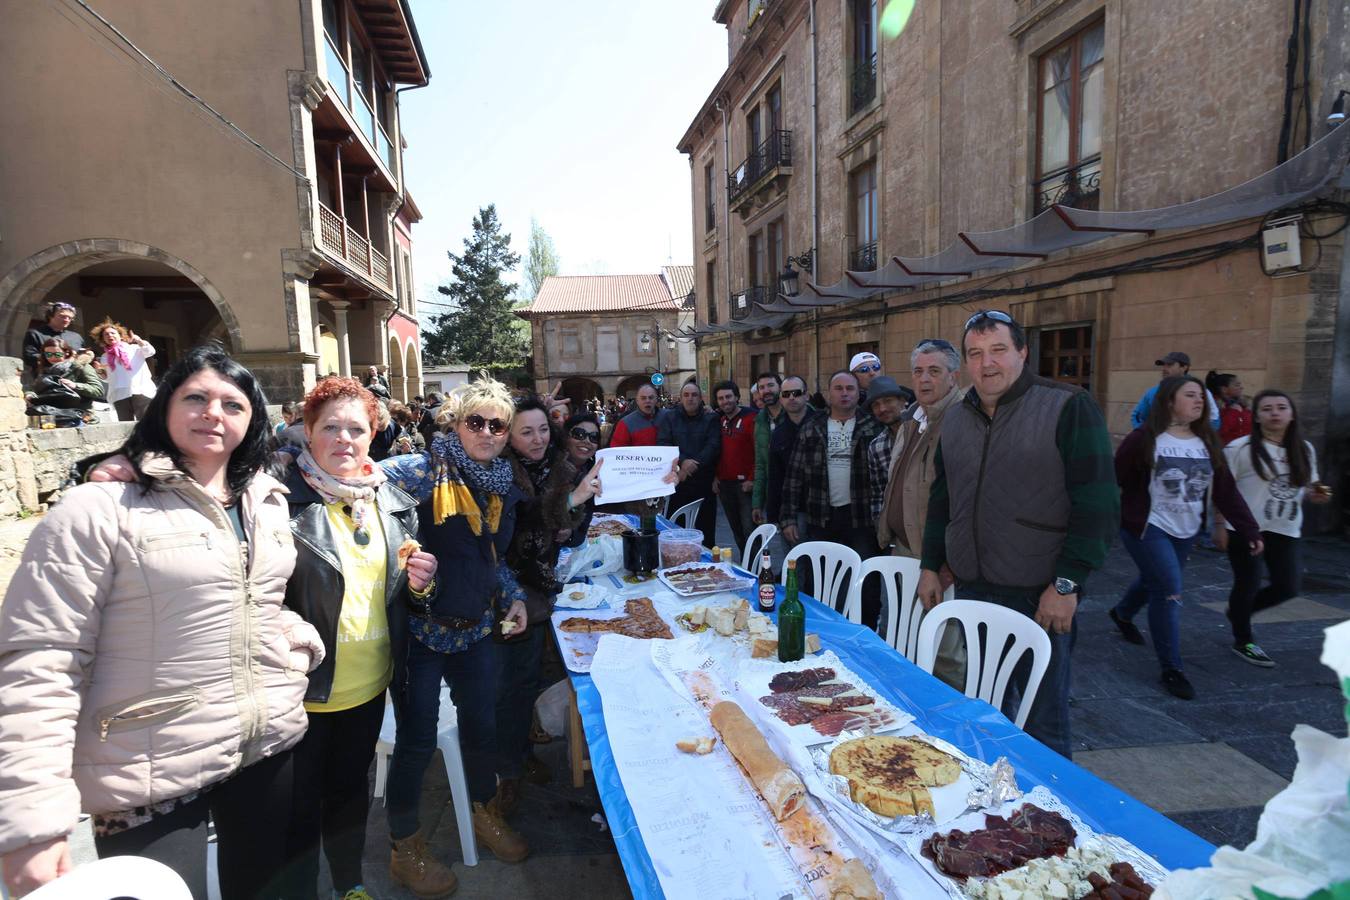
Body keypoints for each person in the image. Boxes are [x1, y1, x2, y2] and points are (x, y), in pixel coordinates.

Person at [0, 345, 325, 900]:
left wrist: (294, 636)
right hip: (146, 764)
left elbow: (256, 601)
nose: (213, 413)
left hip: (265, 745)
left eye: (232, 404)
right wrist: (33, 816)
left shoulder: (266, 502)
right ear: (163, 407)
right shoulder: (99, 508)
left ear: (253, 422)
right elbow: (39, 659)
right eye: (195, 397)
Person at [917, 310, 1118, 758]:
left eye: (998, 350)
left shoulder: (1067, 406)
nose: (987, 363)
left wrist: (1068, 583)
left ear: (1023, 352)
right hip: (972, 590)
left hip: (1039, 597)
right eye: (976, 353)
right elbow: (943, 498)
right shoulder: (957, 418)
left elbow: (1098, 503)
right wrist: (932, 564)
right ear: (966, 362)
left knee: (1042, 722)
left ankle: (1055, 818)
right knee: (983, 709)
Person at [278, 377, 438, 900]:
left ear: (374, 434)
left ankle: (350, 884)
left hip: (368, 686)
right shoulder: (277, 502)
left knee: (350, 797)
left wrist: (421, 584)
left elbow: (400, 597)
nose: (344, 438)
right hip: (300, 694)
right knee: (297, 813)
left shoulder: (391, 502)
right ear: (307, 431)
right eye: (330, 427)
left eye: (356, 427)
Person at [378, 379, 531, 883]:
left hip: (478, 630)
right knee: (418, 743)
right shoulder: (421, 471)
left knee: (482, 729)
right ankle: (405, 848)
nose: (487, 432)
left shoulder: (501, 484)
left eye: (498, 425)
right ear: (456, 422)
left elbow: (492, 556)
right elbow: (358, 476)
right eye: (477, 422)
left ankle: (484, 811)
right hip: (423, 632)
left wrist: (513, 596)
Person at [1110, 376, 1262, 700]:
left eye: (1202, 397)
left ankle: (1122, 613)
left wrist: (1248, 528)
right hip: (1147, 527)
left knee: (1157, 580)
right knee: (1168, 589)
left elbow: (1225, 490)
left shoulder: (1207, 442)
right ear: (1168, 402)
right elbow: (1113, 479)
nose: (1200, 401)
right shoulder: (1143, 439)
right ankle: (1172, 668)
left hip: (1187, 530)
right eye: (1191, 395)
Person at [497, 397, 603, 814]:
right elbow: (521, 523)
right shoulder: (502, 470)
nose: (537, 438)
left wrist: (570, 522)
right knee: (506, 683)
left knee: (525, 678)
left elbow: (574, 534)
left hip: (540, 591)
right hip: (503, 593)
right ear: (510, 435)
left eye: (543, 429)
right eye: (526, 431)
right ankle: (502, 778)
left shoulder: (560, 468)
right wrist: (568, 504)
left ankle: (520, 758)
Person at [1214, 390, 1329, 667]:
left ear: (1292, 415)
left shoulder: (1304, 449)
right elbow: (1222, 489)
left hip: (1285, 527)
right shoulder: (1239, 448)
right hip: (1245, 528)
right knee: (1248, 583)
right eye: (1267, 409)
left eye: (1281, 408)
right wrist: (1218, 525)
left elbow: (1309, 485)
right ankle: (1244, 640)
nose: (1274, 413)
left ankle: (1239, 612)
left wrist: (1318, 494)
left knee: (1288, 586)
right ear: (1256, 416)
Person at [878, 339, 965, 687]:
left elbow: (961, 498)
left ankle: (956, 725)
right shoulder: (914, 416)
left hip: (938, 557)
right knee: (908, 638)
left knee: (945, 649)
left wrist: (942, 563)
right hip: (905, 547)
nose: (924, 379)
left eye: (934, 371)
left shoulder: (961, 419)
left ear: (953, 376)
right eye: (918, 371)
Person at [780, 370, 883, 624]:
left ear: (859, 393)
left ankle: (865, 630)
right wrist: (788, 518)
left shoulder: (873, 425)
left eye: (850, 388)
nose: (844, 393)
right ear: (829, 394)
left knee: (866, 580)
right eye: (839, 388)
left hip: (862, 517)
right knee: (822, 580)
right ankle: (825, 627)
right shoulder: (812, 427)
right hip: (822, 516)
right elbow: (794, 474)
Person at [658, 379, 722, 548]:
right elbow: (664, 443)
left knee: (705, 533)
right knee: (676, 531)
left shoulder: (711, 417)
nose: (690, 398)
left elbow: (713, 445)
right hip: (679, 482)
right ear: (680, 398)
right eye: (686, 395)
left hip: (704, 483)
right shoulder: (670, 417)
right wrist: (683, 461)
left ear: (701, 398)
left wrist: (695, 463)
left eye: (694, 395)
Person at [765, 375, 817, 543]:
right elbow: (775, 476)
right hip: (792, 511)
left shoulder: (822, 424)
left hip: (822, 509)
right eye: (786, 394)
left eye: (797, 393)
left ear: (806, 395)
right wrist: (775, 516)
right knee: (795, 564)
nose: (792, 398)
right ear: (781, 398)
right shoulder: (778, 433)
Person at [713, 380, 757, 554]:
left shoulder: (752, 418)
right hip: (725, 485)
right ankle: (747, 566)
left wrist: (753, 478)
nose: (725, 401)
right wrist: (715, 476)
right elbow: (717, 452)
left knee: (750, 531)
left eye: (729, 396)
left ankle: (759, 568)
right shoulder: (719, 420)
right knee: (737, 531)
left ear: (737, 397)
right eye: (721, 398)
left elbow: (759, 452)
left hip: (746, 485)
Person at [1130, 351, 1220, 430]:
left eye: (1169, 365)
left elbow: (1214, 419)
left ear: (1184, 367)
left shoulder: (1200, 391)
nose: (1164, 368)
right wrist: (1145, 435)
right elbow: (1138, 416)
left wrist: (1196, 438)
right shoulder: (1153, 392)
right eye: (1163, 365)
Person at [863, 375, 911, 523]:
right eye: (876, 405)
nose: (882, 408)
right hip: (899, 531)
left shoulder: (924, 431)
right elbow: (879, 493)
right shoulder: (876, 446)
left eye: (888, 401)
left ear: (903, 401)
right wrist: (881, 529)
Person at [91, 318, 157, 422]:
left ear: (120, 335)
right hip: (120, 393)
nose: (110, 336)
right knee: (125, 425)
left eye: (113, 333)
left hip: (140, 390)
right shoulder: (105, 357)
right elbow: (107, 378)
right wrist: (99, 370)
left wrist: (138, 340)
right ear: (103, 339)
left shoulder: (134, 348)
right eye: (106, 335)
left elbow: (150, 351)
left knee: (145, 423)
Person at [25, 337, 104, 413]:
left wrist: (75, 385)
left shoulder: (80, 366)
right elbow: (34, 389)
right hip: (52, 414)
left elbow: (98, 390)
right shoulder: (45, 370)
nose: (53, 357)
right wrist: (29, 395)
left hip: (80, 415)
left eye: (57, 354)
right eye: (48, 354)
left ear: (67, 353)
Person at [751, 372, 785, 525]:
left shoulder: (794, 413)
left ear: (780, 387)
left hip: (799, 496)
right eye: (762, 387)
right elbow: (760, 464)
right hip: (773, 493)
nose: (766, 390)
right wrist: (757, 503)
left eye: (770, 385)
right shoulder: (760, 420)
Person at [21, 300, 83, 379]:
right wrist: (56, 358)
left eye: (69, 318)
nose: (66, 320)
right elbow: (29, 357)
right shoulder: (35, 334)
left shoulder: (76, 337)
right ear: (50, 316)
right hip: (47, 380)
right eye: (62, 316)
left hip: (75, 380)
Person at [1205, 371, 1251, 446]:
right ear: (1224, 389)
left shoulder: (1243, 405)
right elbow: (1219, 430)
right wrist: (1234, 412)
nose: (1241, 387)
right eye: (1237, 385)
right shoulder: (1215, 408)